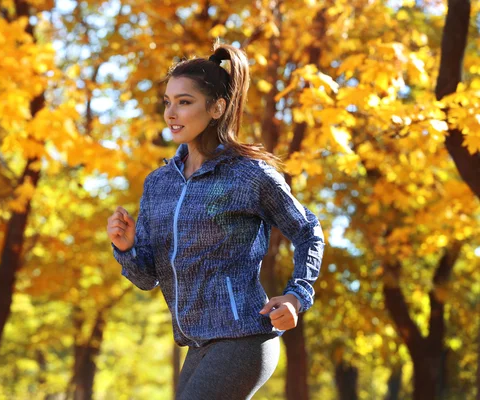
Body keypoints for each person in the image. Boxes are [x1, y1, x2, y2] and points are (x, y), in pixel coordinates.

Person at [106, 41, 325, 400]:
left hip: (244, 338)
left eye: (184, 102)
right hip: (197, 345)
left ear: (217, 107)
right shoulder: (159, 184)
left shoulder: (249, 176)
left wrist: (296, 295)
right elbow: (147, 278)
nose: (171, 113)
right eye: (168, 102)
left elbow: (308, 231)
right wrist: (126, 248)